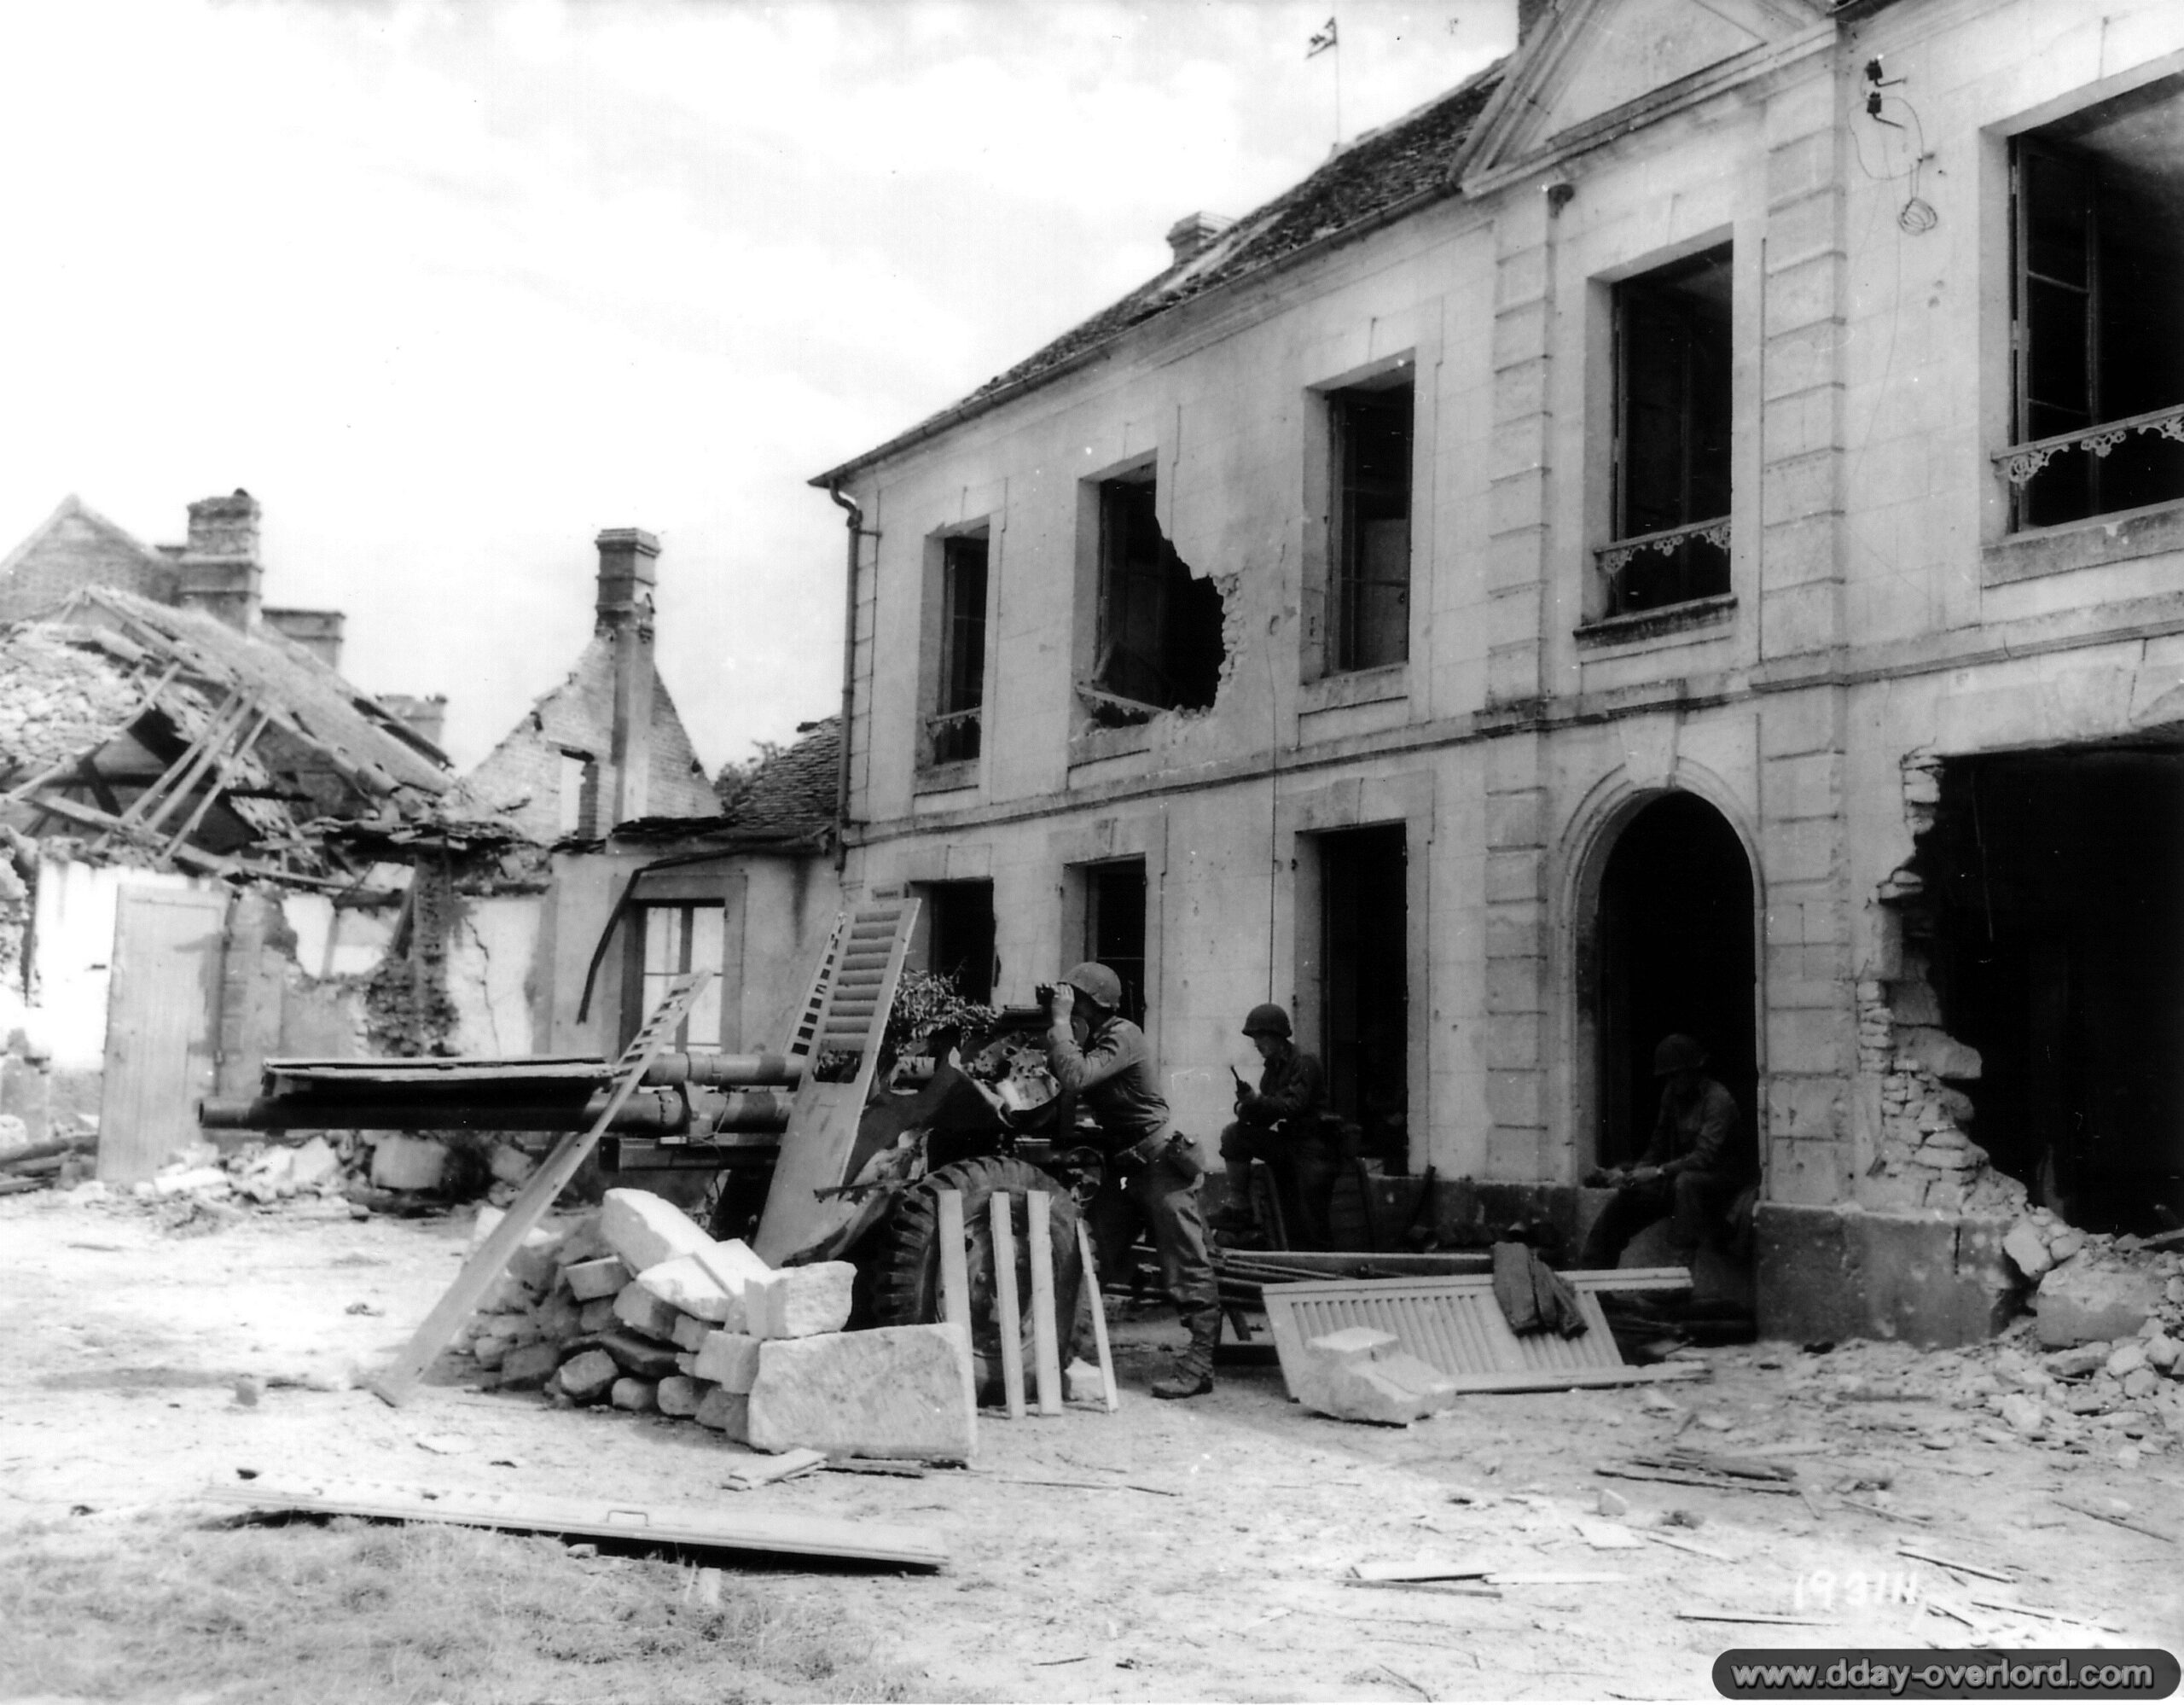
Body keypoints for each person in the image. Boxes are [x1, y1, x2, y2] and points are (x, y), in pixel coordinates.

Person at [1043, 961, 1219, 1399]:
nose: (1070, 1006)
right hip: (1125, 1170)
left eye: (1076, 999)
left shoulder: (1124, 1034)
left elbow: (1076, 1075)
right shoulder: (1098, 1038)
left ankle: (1199, 1366)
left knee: (1186, 1266)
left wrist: (1061, 1023)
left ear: (1093, 1003)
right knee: (1090, 1256)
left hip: (1160, 1165)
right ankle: (1067, 1354)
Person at [1579, 1033, 1745, 1271]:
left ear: (1694, 1070)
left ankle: (1678, 1276)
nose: (1672, 1082)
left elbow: (1703, 1158)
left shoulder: (1718, 1101)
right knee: (1628, 1199)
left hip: (1720, 1184)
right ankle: (1592, 1276)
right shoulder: (1672, 1095)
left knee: (1686, 1184)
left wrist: (1656, 1172)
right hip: (1677, 1178)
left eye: (1676, 1075)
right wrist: (1633, 1176)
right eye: (1668, 1077)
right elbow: (1657, 1146)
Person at [1210, 1004, 1338, 1248]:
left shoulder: (1305, 1063)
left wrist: (1259, 1101)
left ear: (1278, 1037)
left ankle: (1319, 1260)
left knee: (1311, 1219)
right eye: (1255, 1038)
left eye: (1261, 1037)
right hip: (1289, 1144)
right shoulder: (1271, 1072)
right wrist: (1246, 1105)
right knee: (1234, 1135)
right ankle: (1240, 1207)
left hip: (1315, 1148)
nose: (1256, 1044)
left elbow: (1293, 1106)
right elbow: (1263, 1118)